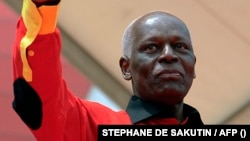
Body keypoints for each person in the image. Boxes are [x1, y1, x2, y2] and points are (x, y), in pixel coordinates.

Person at [12, 0, 204, 140]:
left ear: (193, 66)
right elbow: (40, 97)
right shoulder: (94, 127)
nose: (169, 55)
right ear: (126, 68)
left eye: (180, 47)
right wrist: (43, 5)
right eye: (152, 47)